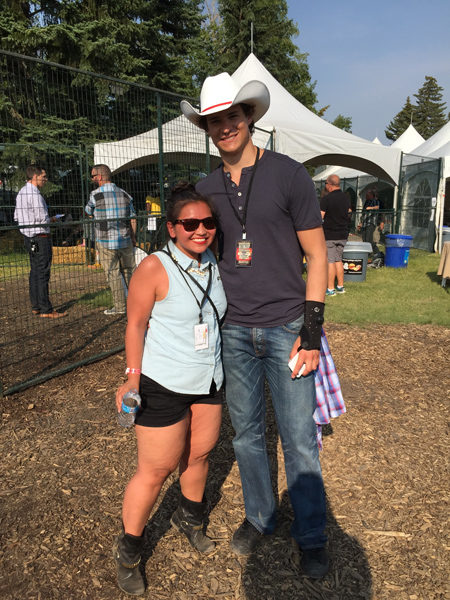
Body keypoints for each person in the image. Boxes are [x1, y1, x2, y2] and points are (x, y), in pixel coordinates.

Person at [181, 73, 330, 579]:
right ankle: (261, 517)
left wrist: (311, 335)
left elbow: (316, 253)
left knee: (298, 436)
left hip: (288, 325)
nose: (225, 127)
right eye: (214, 121)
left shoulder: (290, 175)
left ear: (249, 117)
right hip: (234, 331)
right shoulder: (204, 191)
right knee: (245, 435)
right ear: (206, 128)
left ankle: (311, 534)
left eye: (232, 116)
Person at [113, 183, 227, 595]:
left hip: (209, 379)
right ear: (172, 228)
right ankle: (128, 551)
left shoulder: (212, 259)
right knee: (156, 470)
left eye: (208, 222)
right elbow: (135, 325)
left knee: (199, 454)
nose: (201, 230)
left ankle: (190, 519)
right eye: (190, 223)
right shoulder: (154, 267)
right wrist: (132, 376)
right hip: (163, 383)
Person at [14, 166, 67, 318]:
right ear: (35, 176)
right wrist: (52, 219)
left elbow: (17, 216)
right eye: (44, 176)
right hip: (40, 237)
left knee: (34, 271)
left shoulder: (21, 193)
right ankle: (46, 309)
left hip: (28, 237)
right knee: (43, 272)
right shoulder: (35, 195)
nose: (46, 179)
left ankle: (36, 306)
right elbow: (42, 219)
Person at [85, 164, 137, 315]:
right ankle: (137, 304)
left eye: (93, 176)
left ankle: (120, 307)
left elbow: (88, 211)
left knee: (112, 274)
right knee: (129, 272)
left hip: (105, 241)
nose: (93, 179)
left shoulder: (95, 195)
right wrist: (133, 237)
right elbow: (133, 218)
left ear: (99, 177)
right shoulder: (125, 194)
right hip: (125, 240)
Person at [320, 175, 352, 296]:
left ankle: (330, 289)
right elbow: (349, 212)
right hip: (343, 233)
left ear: (329, 184)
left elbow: (320, 217)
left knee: (331, 261)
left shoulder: (326, 199)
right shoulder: (345, 198)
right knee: (339, 260)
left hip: (330, 234)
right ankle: (340, 286)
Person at [358, 187, 380, 255]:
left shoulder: (374, 200)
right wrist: (361, 223)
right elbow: (364, 213)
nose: (366, 196)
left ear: (371, 195)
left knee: (369, 239)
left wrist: (371, 208)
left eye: (368, 195)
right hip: (365, 223)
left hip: (371, 222)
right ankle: (367, 253)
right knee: (364, 238)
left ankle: (377, 252)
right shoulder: (366, 202)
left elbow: (377, 207)